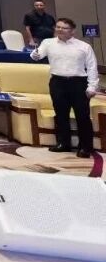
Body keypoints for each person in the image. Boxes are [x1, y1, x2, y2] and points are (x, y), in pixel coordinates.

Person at [30, 18, 98, 158]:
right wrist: (35, 54)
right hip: (57, 82)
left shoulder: (84, 46)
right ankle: (63, 143)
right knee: (61, 114)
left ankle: (85, 147)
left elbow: (92, 67)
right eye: (58, 27)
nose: (60, 30)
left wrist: (92, 86)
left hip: (78, 83)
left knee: (82, 115)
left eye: (64, 28)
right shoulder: (48, 43)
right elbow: (37, 55)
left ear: (72, 31)